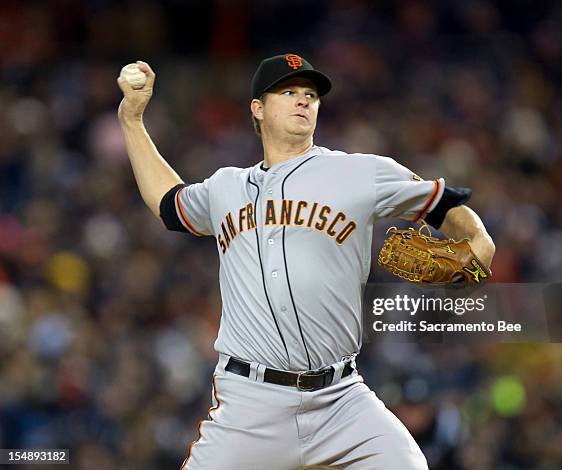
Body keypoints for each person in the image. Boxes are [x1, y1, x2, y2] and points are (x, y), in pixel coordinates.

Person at [117, 53, 495, 470]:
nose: (303, 101)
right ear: (257, 109)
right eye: (289, 92)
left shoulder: (360, 172)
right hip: (250, 404)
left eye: (311, 95)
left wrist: (478, 245)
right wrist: (132, 122)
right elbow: (169, 204)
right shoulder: (225, 187)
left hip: (341, 400)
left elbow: (446, 205)